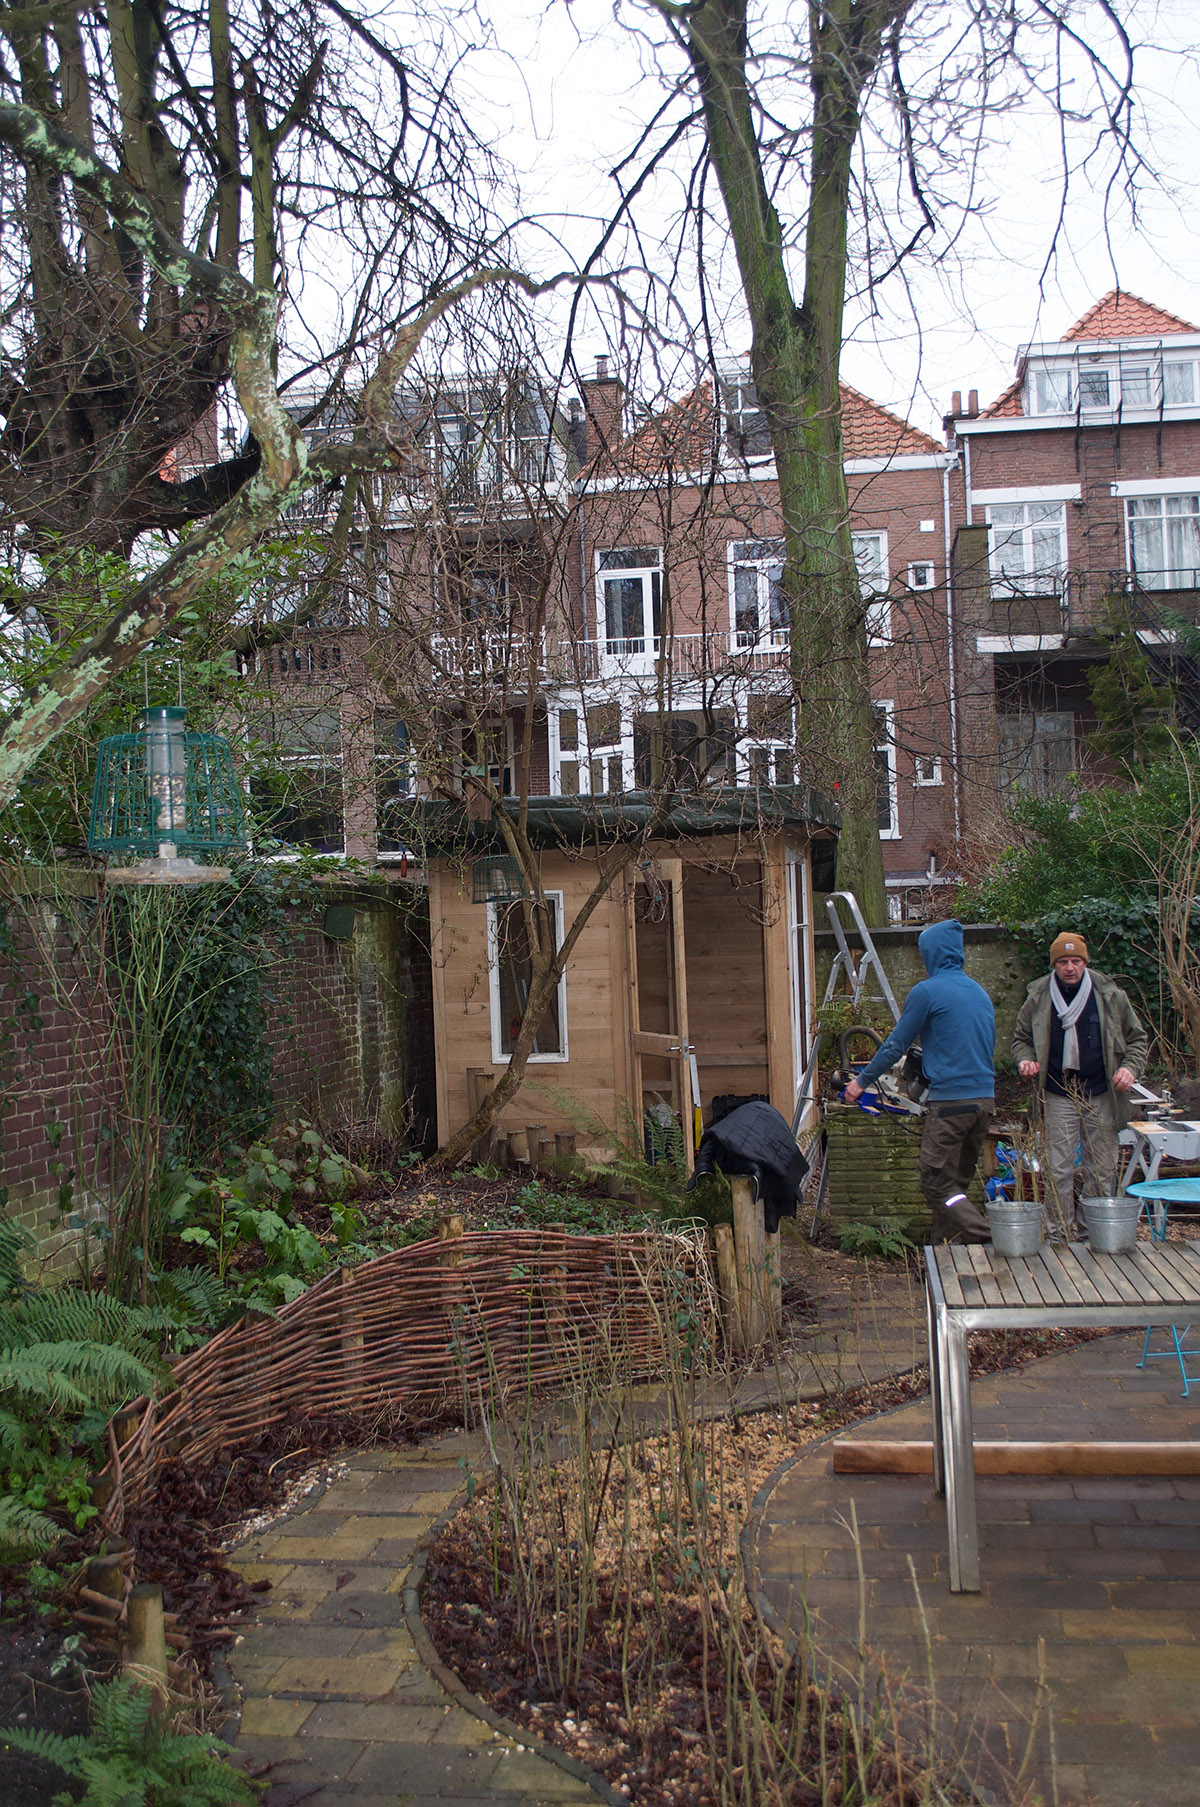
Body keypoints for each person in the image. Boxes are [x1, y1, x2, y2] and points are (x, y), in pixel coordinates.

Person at [844, 919, 995, 1243]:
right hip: (985, 1103)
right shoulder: (978, 992)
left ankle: (990, 1235)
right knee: (954, 1187)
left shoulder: (927, 991)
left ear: (931, 954)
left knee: (935, 1181)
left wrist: (861, 1082)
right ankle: (942, 1256)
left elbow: (896, 1045)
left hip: (952, 1105)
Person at [1011, 931, 1148, 1228]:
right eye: (1062, 962)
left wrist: (1129, 1068)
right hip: (1058, 1092)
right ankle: (1059, 1231)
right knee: (1058, 1167)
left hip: (1102, 1092)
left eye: (1075, 961)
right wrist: (1025, 1059)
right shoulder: (1038, 997)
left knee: (1101, 1167)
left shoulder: (1111, 996)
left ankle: (1094, 1229)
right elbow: (1021, 1038)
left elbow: (1137, 1039)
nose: (1069, 967)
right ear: (1054, 965)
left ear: (1085, 962)